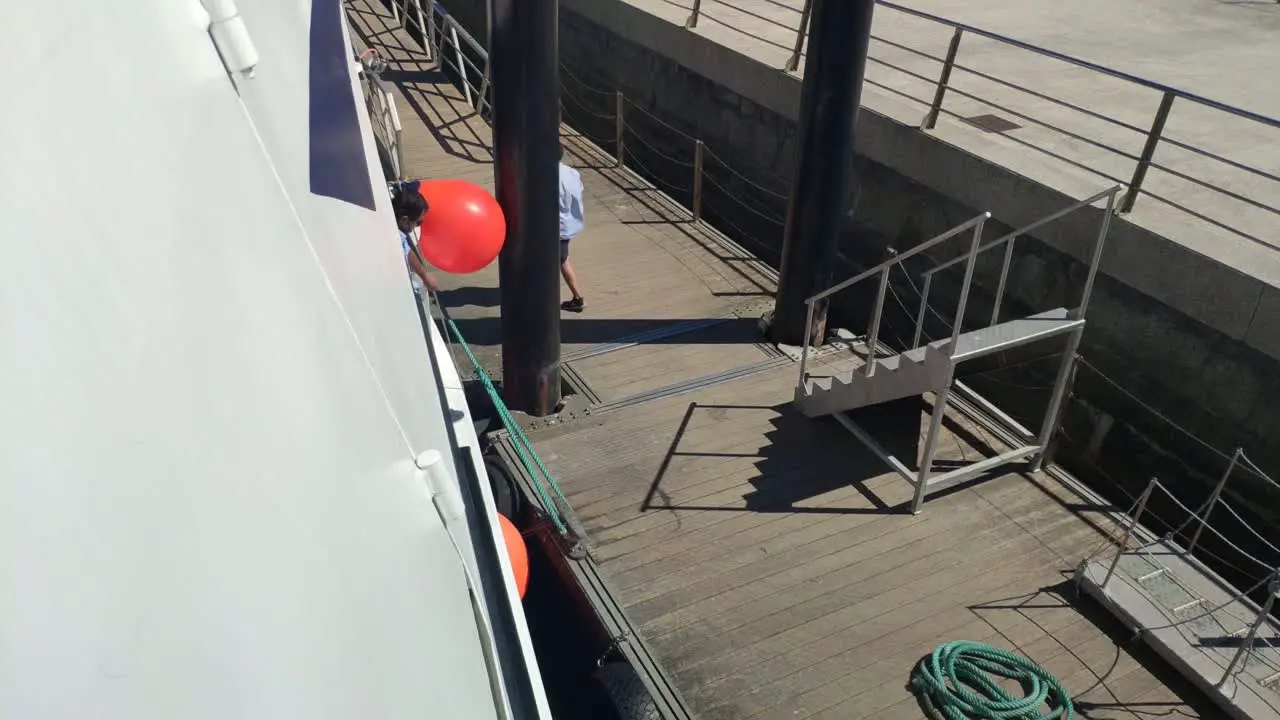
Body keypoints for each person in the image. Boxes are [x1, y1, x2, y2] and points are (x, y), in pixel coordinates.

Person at [391, 184, 440, 296]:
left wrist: (424, 275)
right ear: (404, 220)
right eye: (418, 222)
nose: (417, 226)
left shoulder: (398, 235)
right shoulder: (395, 237)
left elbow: (407, 250)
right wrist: (425, 276)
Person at [558, 144, 586, 312]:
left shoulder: (548, 177)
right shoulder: (572, 172)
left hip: (557, 227)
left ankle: (578, 298)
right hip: (570, 222)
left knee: (561, 261)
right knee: (562, 259)